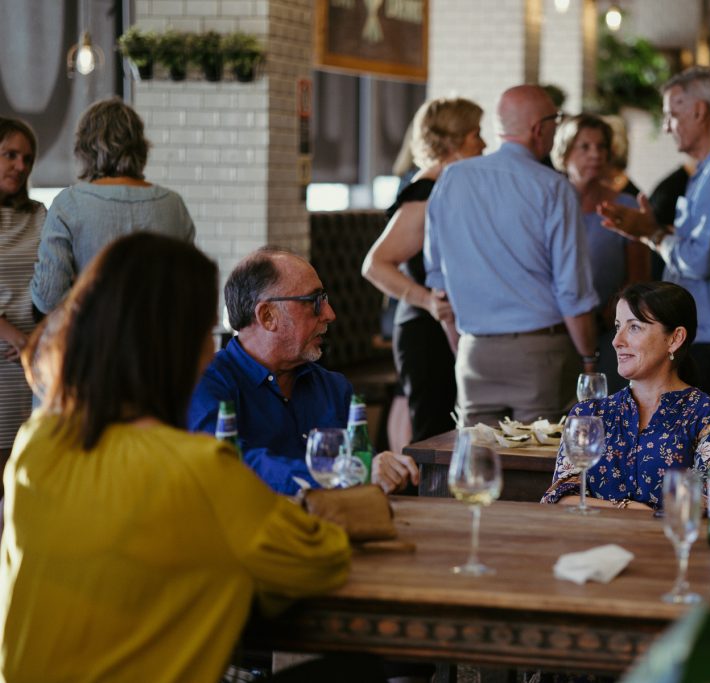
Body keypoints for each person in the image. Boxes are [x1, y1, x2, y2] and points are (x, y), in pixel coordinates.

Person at [0, 233, 352, 682]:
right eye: (205, 330)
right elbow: (323, 562)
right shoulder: (201, 468)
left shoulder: (38, 442)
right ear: (182, 349)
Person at [424, 84, 599, 424]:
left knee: (476, 466)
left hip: (474, 352)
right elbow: (571, 292)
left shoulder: (451, 180)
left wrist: (462, 347)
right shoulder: (553, 187)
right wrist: (589, 360)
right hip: (539, 354)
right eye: (556, 120)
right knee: (536, 468)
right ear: (540, 128)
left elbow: (438, 281)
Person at [598, 66, 710, 406]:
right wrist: (654, 231)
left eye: (671, 115)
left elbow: (701, 258)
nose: (666, 126)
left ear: (699, 110)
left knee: (705, 440)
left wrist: (652, 234)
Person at [188, 247, 419, 497]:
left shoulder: (334, 388)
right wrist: (340, 477)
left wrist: (384, 470)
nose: (330, 314)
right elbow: (227, 461)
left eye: (326, 299)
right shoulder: (207, 382)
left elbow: (362, 471)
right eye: (314, 302)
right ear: (267, 316)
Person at [542, 282, 710, 510]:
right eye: (617, 326)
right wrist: (630, 509)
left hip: (670, 544)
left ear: (675, 338)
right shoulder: (589, 415)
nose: (616, 341)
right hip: (596, 544)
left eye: (634, 327)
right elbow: (557, 498)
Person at [363, 97, 486, 441]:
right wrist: (428, 301)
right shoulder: (426, 192)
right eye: (477, 134)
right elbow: (375, 265)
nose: (484, 143)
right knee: (435, 438)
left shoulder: (451, 187)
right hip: (425, 332)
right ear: (453, 139)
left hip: (447, 327)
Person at [30, 97, 195, 315]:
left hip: (93, 342)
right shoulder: (173, 205)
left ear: (85, 148)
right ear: (141, 147)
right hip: (159, 342)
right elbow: (189, 290)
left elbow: (48, 297)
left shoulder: (69, 204)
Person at [552, 113, 648, 394]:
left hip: (610, 329)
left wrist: (617, 309)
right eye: (585, 147)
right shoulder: (549, 203)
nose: (595, 154)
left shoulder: (624, 206)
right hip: (555, 327)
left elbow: (640, 278)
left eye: (601, 147)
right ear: (565, 150)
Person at [0, 117, 45, 470]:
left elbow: (59, 285)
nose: (20, 165)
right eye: (10, 155)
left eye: (27, 159)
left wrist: (38, 341)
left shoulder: (38, 215)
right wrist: (18, 338)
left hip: (26, 371)